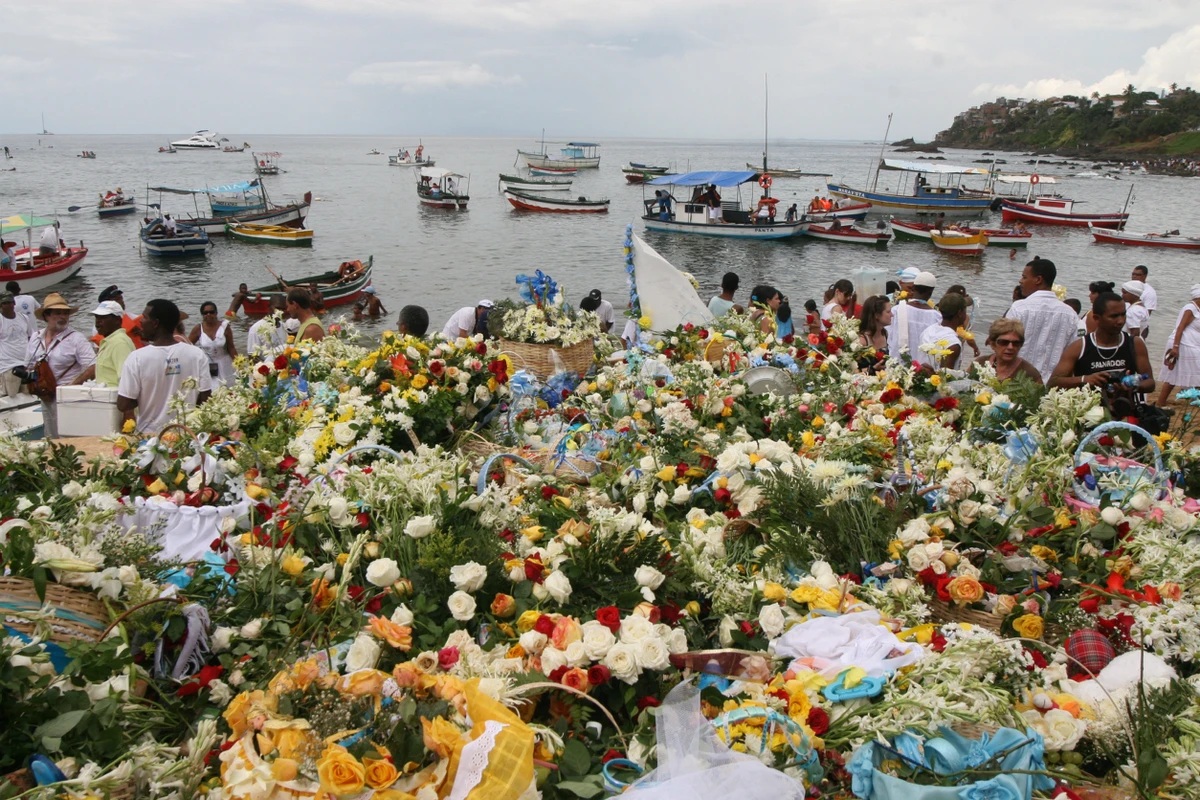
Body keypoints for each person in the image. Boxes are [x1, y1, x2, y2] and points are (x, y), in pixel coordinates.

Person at [1050, 292, 1155, 422]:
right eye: (1114, 316)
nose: (1121, 321)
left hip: (1126, 416)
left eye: (1123, 314)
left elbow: (1150, 382)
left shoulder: (1134, 344)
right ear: (1096, 318)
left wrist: (1134, 385)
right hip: (1088, 418)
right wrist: (1086, 380)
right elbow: (1053, 382)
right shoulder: (1080, 347)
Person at [117, 299, 212, 435]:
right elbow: (205, 399)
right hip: (187, 434)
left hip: (151, 437)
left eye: (144, 318)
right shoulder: (197, 354)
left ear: (155, 323)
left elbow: (123, 404)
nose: (141, 322)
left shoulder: (137, 358)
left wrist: (148, 395)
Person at [21, 293, 95, 438]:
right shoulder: (36, 337)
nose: (63, 317)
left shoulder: (76, 338)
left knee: (70, 436)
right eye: (58, 313)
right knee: (51, 435)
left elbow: (93, 366)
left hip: (68, 397)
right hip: (45, 396)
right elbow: (28, 365)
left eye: (65, 313)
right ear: (47, 316)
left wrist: (70, 385)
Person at [1003, 257, 1078, 384]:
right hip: (1052, 385)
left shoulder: (1020, 308)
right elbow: (1074, 353)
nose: (1021, 281)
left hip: (1018, 382)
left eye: (1024, 277)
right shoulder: (1070, 314)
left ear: (1038, 279)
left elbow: (1003, 345)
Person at [74, 301, 135, 386]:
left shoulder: (119, 343)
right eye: (97, 317)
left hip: (114, 397)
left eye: (103, 318)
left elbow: (126, 380)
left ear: (117, 320)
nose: (98, 322)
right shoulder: (110, 341)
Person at [1158, 285, 1200, 406]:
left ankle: (1195, 399)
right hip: (1182, 343)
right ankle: (1160, 403)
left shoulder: (1197, 309)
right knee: (1174, 373)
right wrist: (1176, 347)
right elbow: (1180, 328)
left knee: (1195, 372)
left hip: (1192, 344)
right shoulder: (1190, 308)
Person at [887, 271, 942, 359]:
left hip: (897, 365)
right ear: (930, 292)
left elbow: (888, 336)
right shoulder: (937, 317)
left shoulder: (896, 310)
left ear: (913, 288)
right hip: (924, 368)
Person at [973, 319, 1042, 383]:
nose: (1010, 347)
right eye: (1004, 342)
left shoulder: (1030, 373)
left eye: (1016, 343)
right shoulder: (979, 364)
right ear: (993, 344)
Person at [189, 302, 237, 386]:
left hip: (225, 363)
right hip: (207, 365)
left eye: (211, 312)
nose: (209, 315)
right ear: (202, 315)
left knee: (229, 389)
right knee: (211, 390)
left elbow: (231, 348)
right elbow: (188, 346)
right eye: (205, 313)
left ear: (216, 313)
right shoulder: (198, 329)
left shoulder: (225, 327)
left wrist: (239, 364)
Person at [918, 292, 969, 370]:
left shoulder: (928, 331)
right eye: (965, 310)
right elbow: (945, 378)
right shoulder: (953, 343)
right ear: (960, 313)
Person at [0, 293, 29, 397]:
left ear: (14, 303)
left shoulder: (24, 318)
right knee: (10, 398)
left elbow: (31, 337)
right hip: (9, 366)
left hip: (26, 365)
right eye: (5, 303)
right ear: (1, 305)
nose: (8, 305)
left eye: (10, 302)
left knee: (29, 396)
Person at [856, 295, 892, 372]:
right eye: (888, 312)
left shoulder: (885, 334)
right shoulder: (862, 341)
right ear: (877, 315)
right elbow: (852, 370)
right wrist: (872, 369)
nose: (892, 315)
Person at [1132, 265, 1157, 334]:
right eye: (1133, 274)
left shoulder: (1149, 292)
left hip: (1139, 327)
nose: (1134, 276)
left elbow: (1147, 314)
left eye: (1138, 275)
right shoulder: (1128, 288)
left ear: (1145, 276)